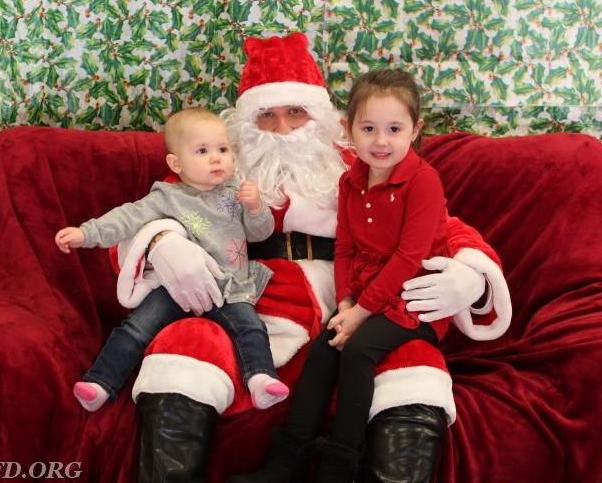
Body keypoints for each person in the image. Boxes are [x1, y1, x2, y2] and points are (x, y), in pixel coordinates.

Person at [128, 33, 512, 483]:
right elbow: (157, 211)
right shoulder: (217, 164)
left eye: (296, 112)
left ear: (326, 118)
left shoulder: (361, 163)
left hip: (360, 304)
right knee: (186, 345)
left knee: (414, 365)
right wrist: (163, 242)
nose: (285, 128)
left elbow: (437, 228)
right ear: (245, 123)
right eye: (266, 116)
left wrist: (472, 275)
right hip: (256, 313)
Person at [231, 68, 468, 483]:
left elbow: (409, 257)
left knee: (357, 350)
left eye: (394, 128)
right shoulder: (349, 181)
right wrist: (344, 303)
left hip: (415, 299)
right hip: (367, 297)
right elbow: (344, 247)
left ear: (415, 130)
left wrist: (359, 315)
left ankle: (341, 463)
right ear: (348, 130)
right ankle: (288, 458)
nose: (381, 141)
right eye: (369, 128)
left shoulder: (422, 181)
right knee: (325, 348)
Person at [54, 107, 290, 413]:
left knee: (250, 327)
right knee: (136, 327)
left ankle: (260, 378)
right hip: (177, 290)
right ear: (176, 163)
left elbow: (260, 234)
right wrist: (86, 233)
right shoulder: (167, 196)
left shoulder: (235, 193)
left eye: (222, 149)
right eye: (202, 151)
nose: (216, 158)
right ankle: (100, 382)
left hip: (231, 287)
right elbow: (127, 218)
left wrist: (257, 207)